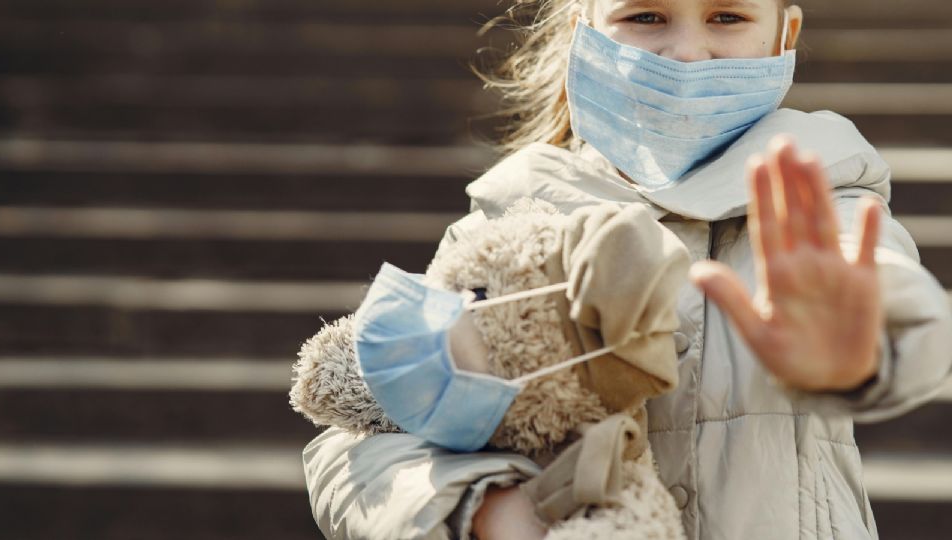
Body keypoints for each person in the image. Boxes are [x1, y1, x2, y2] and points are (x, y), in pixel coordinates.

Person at [301, 1, 952, 538]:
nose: (688, 52)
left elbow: (887, 286)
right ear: (583, 26)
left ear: (786, 31)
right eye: (646, 16)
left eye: (727, 17)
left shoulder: (819, 188)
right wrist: (483, 509)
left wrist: (864, 344)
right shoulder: (508, 222)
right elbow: (358, 438)